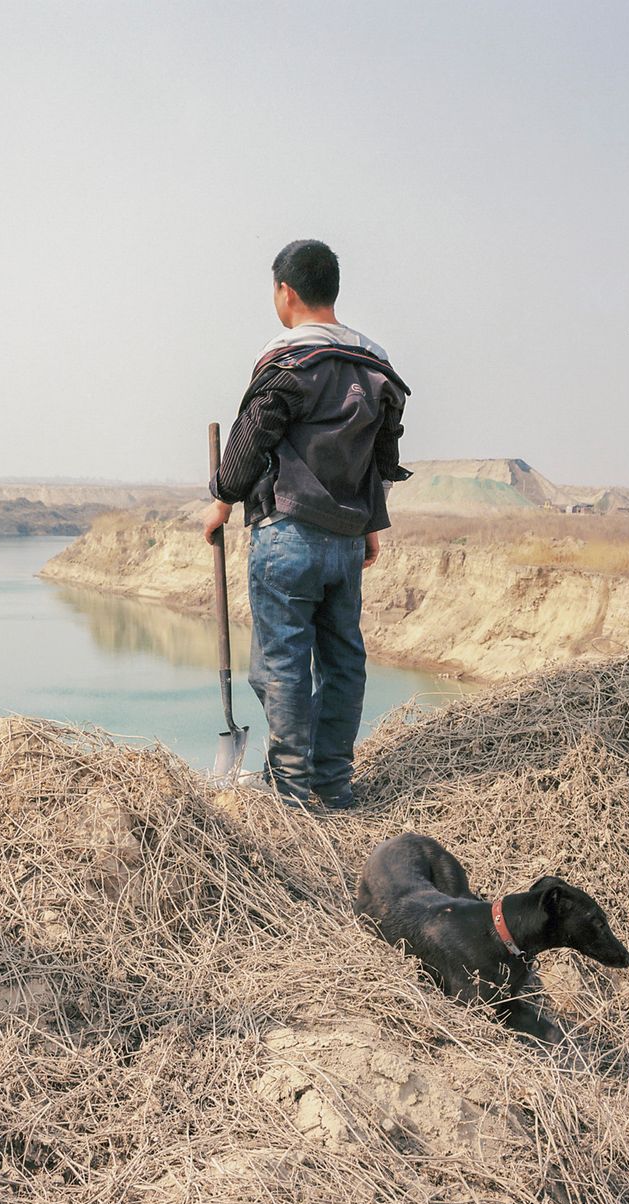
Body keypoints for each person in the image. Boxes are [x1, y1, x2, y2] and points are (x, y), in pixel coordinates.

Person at [200, 239, 410, 812]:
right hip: (345, 541)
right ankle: (334, 783)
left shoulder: (288, 357)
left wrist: (221, 499)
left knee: (281, 664)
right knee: (343, 658)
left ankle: (291, 790)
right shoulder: (376, 363)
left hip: (287, 533)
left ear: (285, 291)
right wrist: (371, 523)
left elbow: (253, 434)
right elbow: (382, 456)